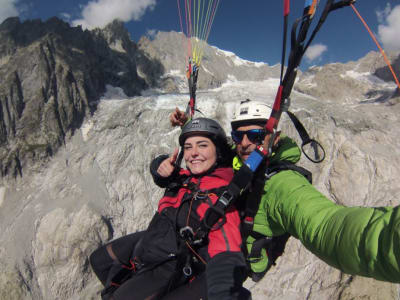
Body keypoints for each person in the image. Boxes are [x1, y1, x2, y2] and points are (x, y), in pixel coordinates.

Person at [168, 99, 400, 284]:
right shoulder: (241, 157)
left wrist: (390, 239)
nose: (246, 142)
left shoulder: (283, 184)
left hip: (227, 263)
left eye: (256, 136)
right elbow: (221, 147)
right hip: (212, 244)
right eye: (239, 135)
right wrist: (189, 123)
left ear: (275, 139)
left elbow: (327, 226)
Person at [90, 117, 250, 300]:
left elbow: (226, 252)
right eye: (188, 147)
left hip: (171, 261)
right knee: (99, 261)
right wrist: (159, 165)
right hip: (154, 239)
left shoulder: (220, 195)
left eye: (202, 145)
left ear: (219, 151)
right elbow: (163, 173)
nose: (193, 153)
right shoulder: (188, 177)